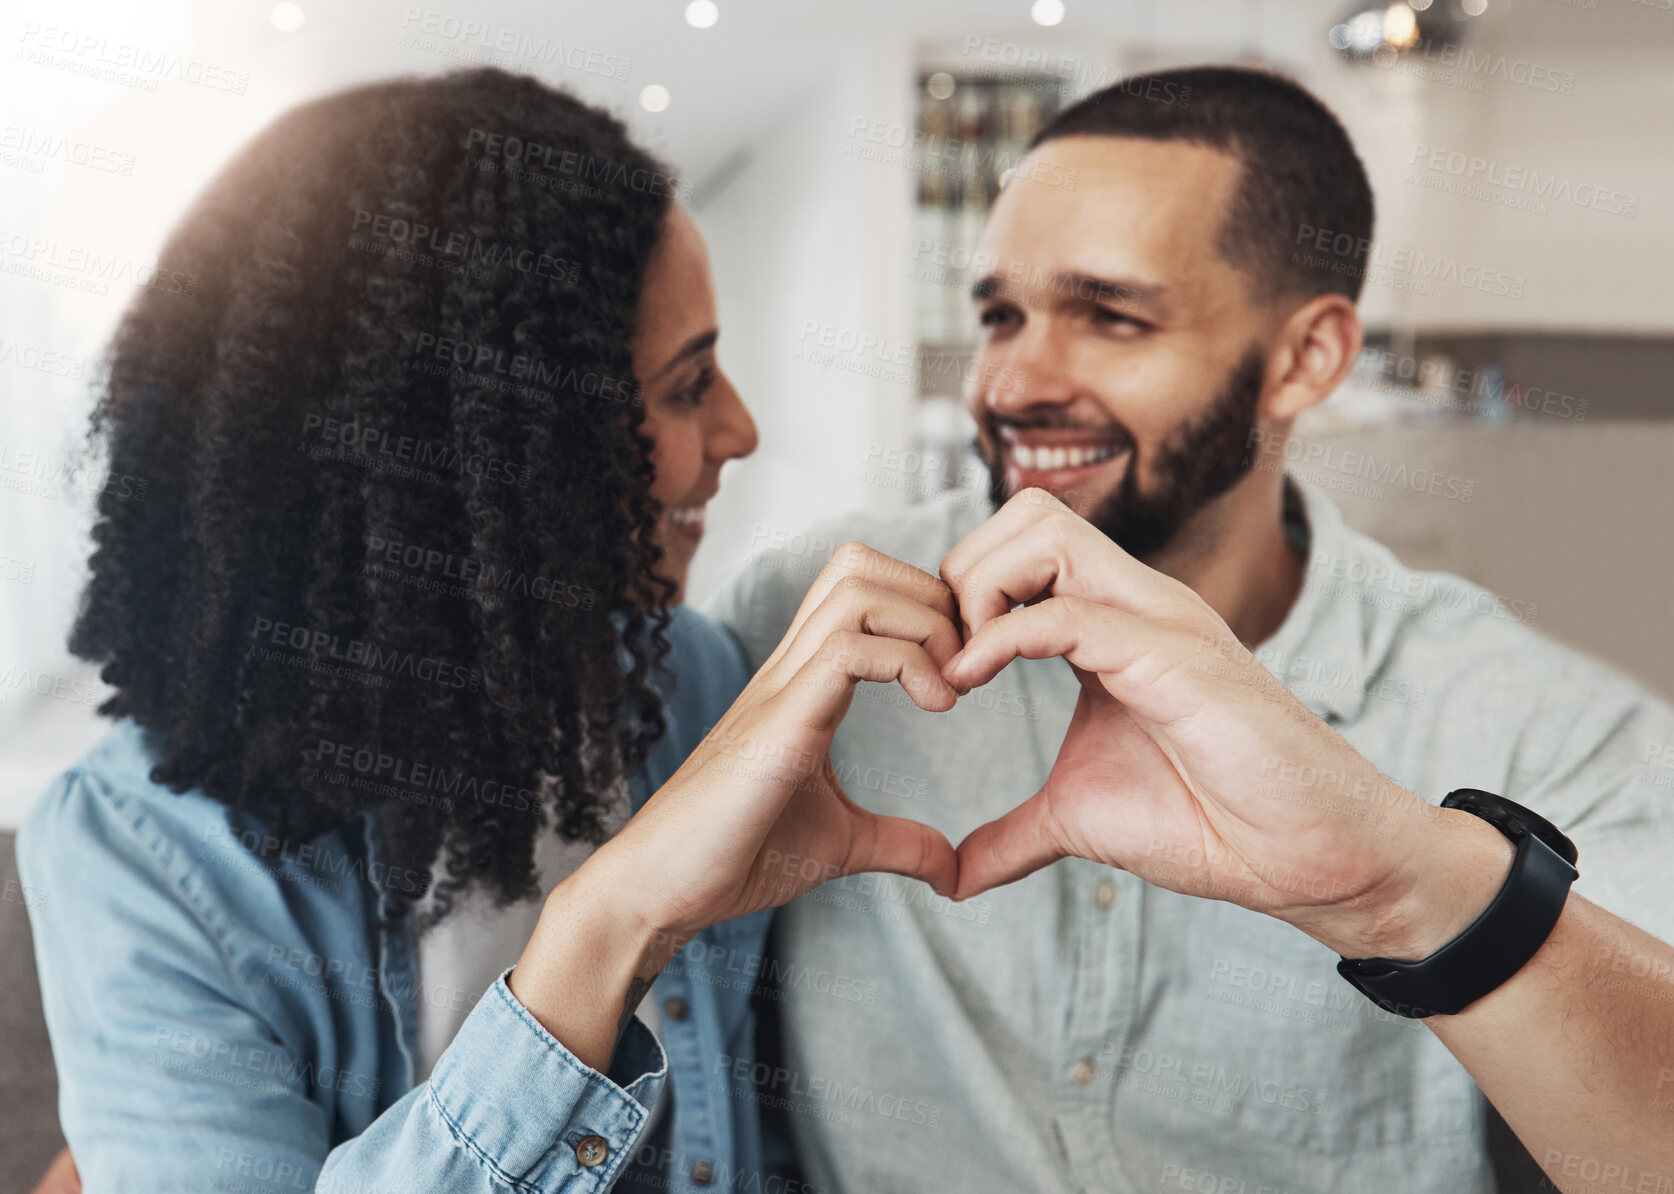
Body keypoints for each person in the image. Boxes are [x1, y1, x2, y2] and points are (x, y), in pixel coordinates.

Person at [706, 67, 1674, 1193]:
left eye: (1110, 317)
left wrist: (1405, 888)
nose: (1014, 381)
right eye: (1000, 315)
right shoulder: (811, 622)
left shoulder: (1544, 727)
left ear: (1307, 358)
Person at [19, 67, 959, 1194]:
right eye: (685, 384)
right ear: (488, 458)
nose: (741, 430)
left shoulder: (691, 686)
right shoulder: (141, 858)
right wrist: (606, 929)